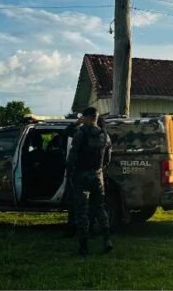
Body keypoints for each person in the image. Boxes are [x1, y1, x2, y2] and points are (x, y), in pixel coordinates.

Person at [66, 108, 112, 256]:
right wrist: (99, 169)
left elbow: (72, 153)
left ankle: (83, 247)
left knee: (82, 211)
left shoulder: (80, 133)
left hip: (81, 175)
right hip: (97, 176)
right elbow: (108, 158)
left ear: (86, 117)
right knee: (100, 207)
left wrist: (70, 170)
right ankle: (107, 240)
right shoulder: (104, 135)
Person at [62, 115, 84, 238]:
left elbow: (65, 133)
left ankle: (73, 230)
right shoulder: (100, 134)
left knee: (75, 204)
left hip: (78, 173)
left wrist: (75, 123)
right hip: (91, 173)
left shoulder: (80, 134)